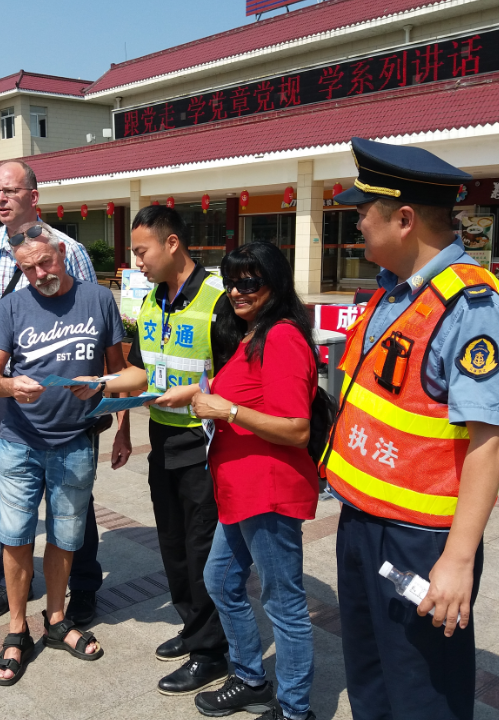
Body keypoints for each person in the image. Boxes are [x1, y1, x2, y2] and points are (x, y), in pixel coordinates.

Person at [326, 138, 499, 720]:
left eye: (364, 211)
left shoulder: (471, 307)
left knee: (422, 695)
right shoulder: (392, 292)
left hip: (419, 538)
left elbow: (490, 440)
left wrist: (458, 559)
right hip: (362, 522)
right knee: (370, 680)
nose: (357, 222)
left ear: (404, 219)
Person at [75, 205, 234, 696]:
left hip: (208, 442)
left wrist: (197, 395)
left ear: (172, 244)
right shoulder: (151, 302)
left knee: (202, 548)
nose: (136, 262)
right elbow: (141, 370)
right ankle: (192, 625)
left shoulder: (219, 299)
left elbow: (238, 379)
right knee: (173, 544)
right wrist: (102, 383)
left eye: (142, 251)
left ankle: (212, 651)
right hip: (163, 438)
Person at [0, 224, 131, 686]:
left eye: (45, 262)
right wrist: (10, 385)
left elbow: (119, 371)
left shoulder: (98, 300)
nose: (40, 274)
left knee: (66, 537)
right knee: (15, 535)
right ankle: (16, 629)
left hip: (75, 441)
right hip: (19, 441)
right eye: (28, 269)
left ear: (61, 252)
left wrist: (122, 426)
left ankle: (57, 619)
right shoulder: (12, 305)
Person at [187, 241, 319, 720]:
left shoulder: (281, 337)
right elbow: (240, 393)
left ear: (275, 283)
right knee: (220, 581)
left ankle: (295, 709)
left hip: (270, 491)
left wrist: (228, 410)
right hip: (240, 492)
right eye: (231, 282)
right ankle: (249, 677)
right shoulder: (252, 334)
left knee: (284, 604)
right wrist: (189, 395)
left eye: (250, 281)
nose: (237, 291)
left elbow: (296, 428)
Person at [0, 160, 103, 625]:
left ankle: (82, 584)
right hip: (8, 386)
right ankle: (10, 587)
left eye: (9, 190)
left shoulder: (68, 248)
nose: (1, 199)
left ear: (33, 195)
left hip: (68, 390)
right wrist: (4, 381)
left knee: (73, 492)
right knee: (15, 494)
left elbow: (90, 318)